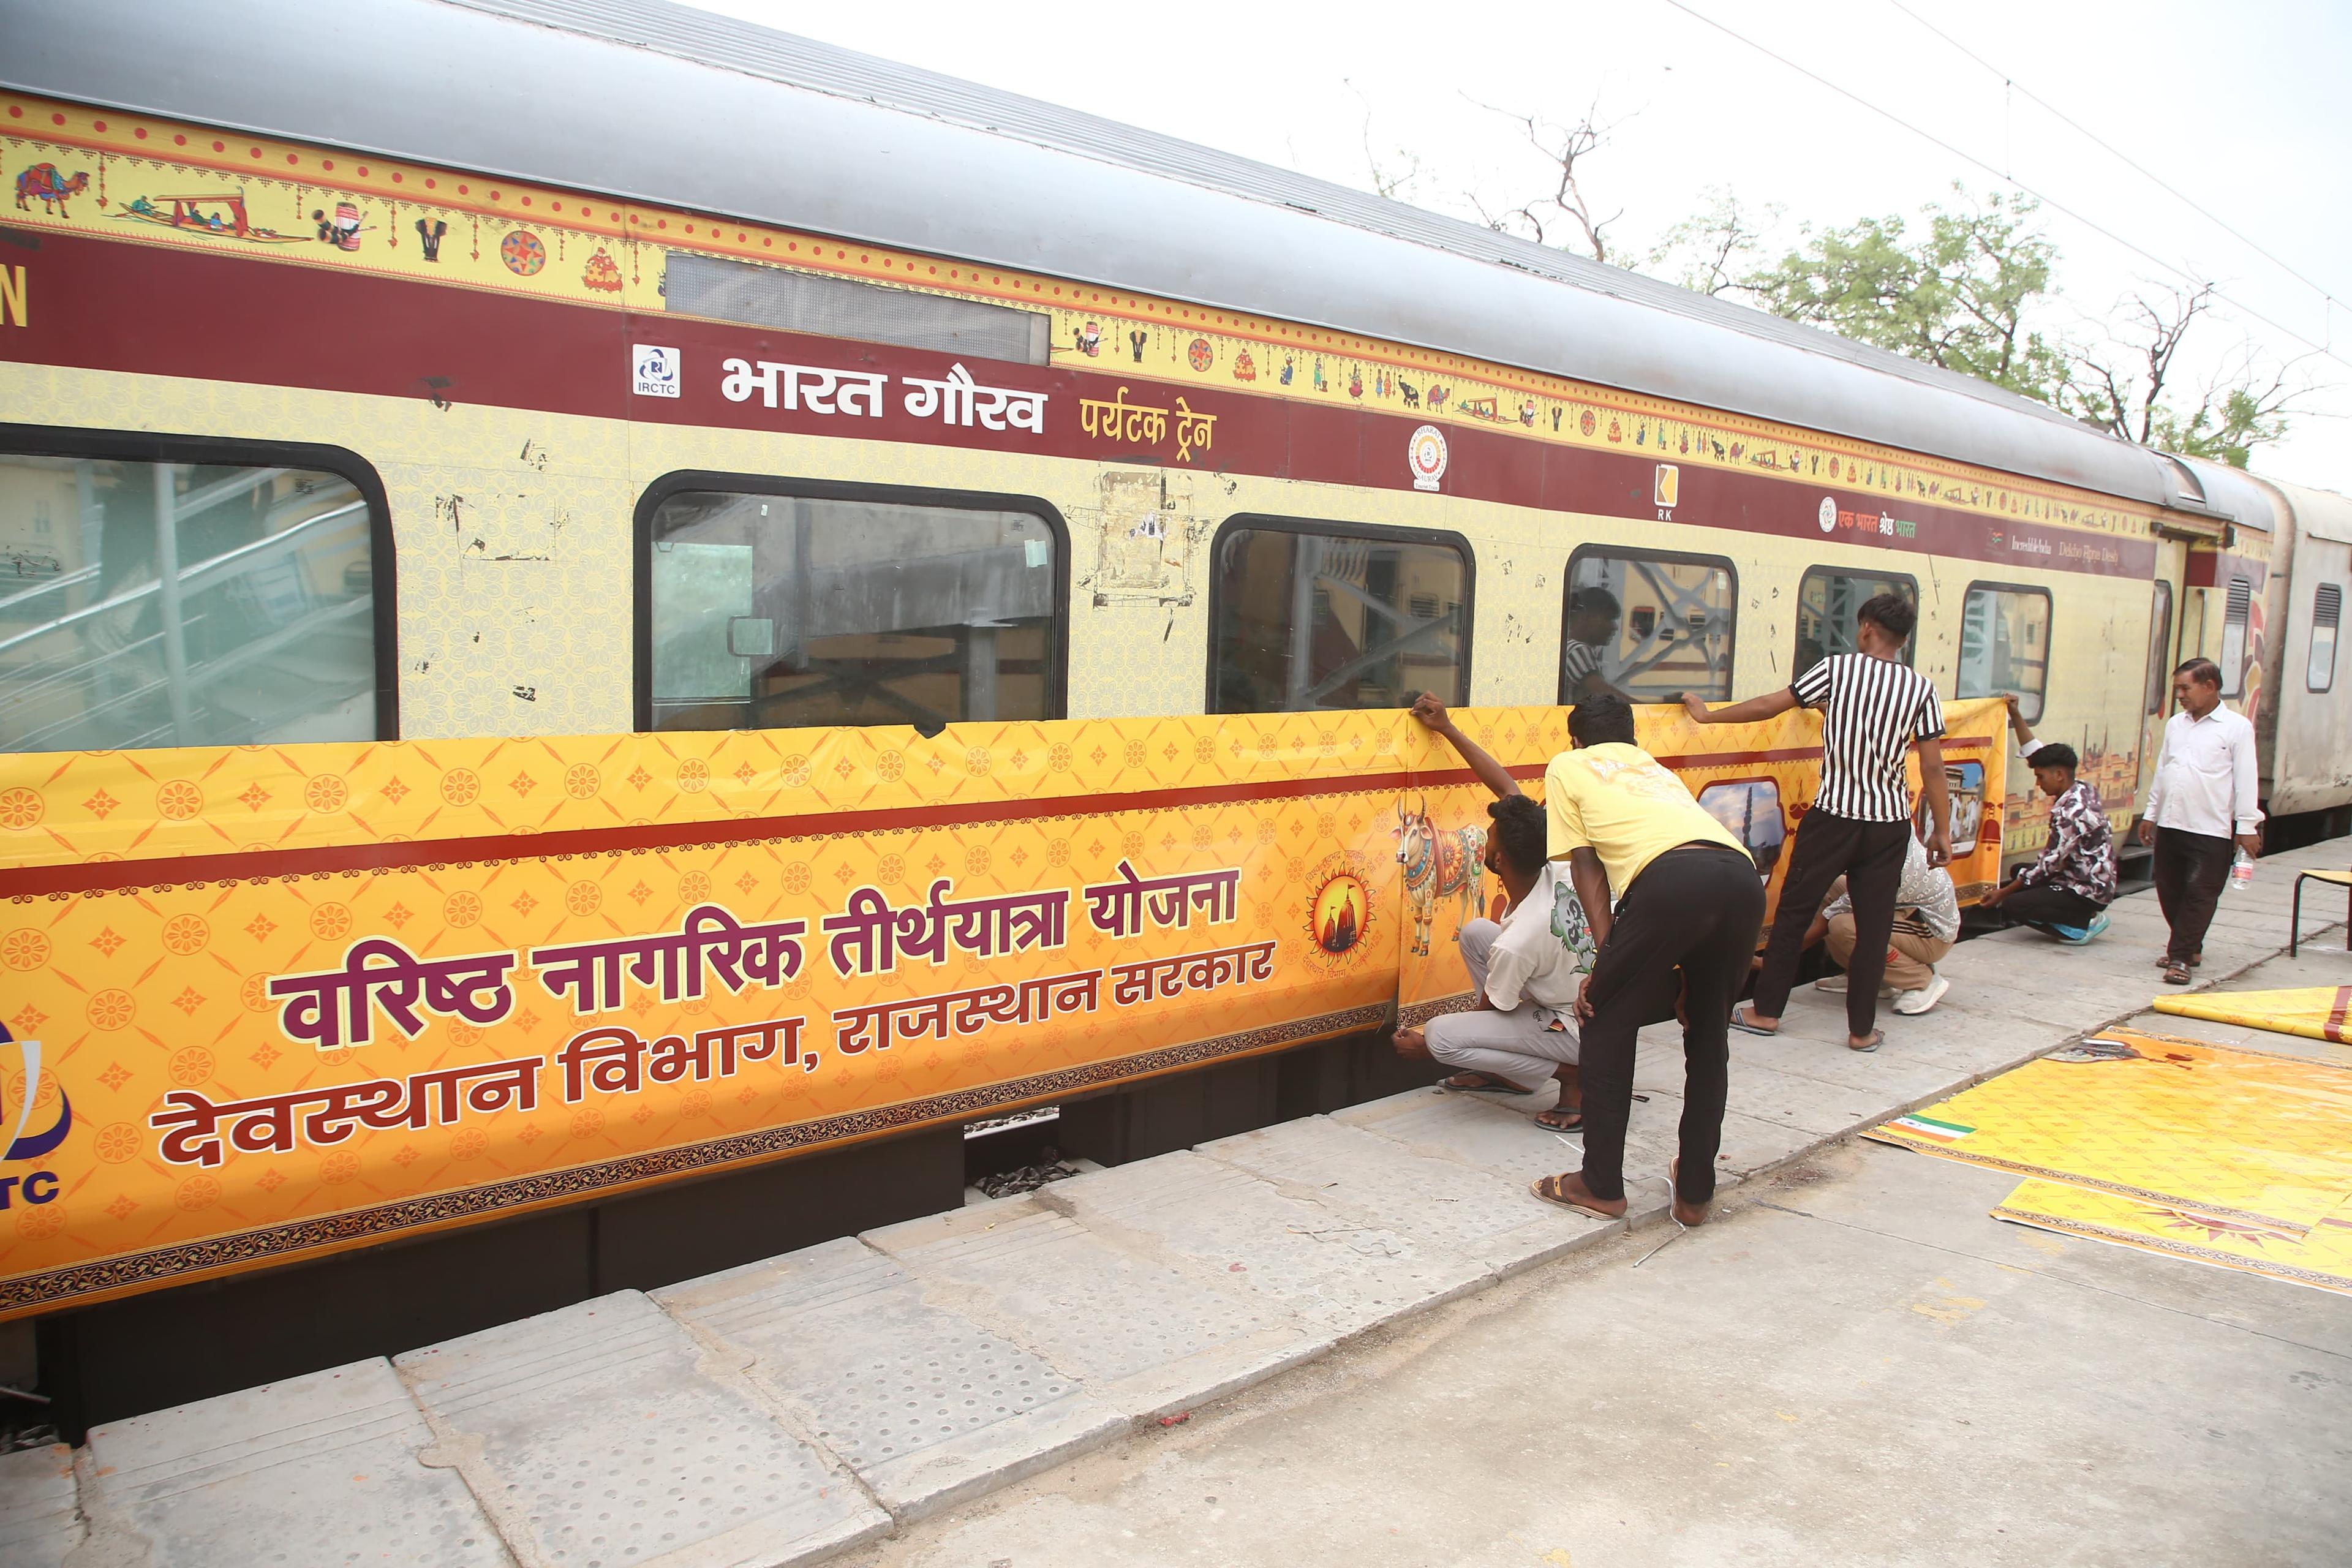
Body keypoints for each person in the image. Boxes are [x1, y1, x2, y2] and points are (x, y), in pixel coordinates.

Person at [1528, 695, 1764, 1229]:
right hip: (1741, 878)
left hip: (1669, 882)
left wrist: (1606, 962)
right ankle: (1696, 1192)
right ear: (1632, 737)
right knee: (1708, 1033)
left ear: (1576, 739)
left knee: (1604, 1014)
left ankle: (1601, 1184)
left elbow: (1587, 867)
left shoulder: (1568, 765)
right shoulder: (1652, 768)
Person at [1683, 592, 1951, 1053]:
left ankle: (1766, 1012)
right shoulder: (1920, 689)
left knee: (1793, 914)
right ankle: (1862, 1030)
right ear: (1903, 640)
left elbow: (1772, 704)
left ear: (1866, 628)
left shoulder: (1838, 670)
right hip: (1889, 825)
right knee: (1874, 927)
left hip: (1834, 818)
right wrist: (1941, 830)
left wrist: (1709, 716)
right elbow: (1932, 767)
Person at [1392, 695, 1589, 1133]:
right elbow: (1507, 790)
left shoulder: (1521, 936)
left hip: (1576, 1031)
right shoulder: (1556, 865)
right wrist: (1447, 728)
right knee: (1479, 931)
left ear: (1497, 861)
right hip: (1578, 1002)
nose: (1486, 841)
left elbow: (1494, 1011)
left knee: (1444, 1035)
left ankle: (1571, 1079)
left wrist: (1432, 1046)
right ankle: (1517, 1073)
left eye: (1489, 840)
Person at [2138, 658, 2262, 985]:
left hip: (2212, 829)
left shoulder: (2236, 728)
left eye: (2185, 688)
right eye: (2177, 688)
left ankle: (2180, 958)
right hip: (2171, 822)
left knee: (2200, 894)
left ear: (2209, 687)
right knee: (2169, 889)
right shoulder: (2177, 725)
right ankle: (2189, 947)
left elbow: (2247, 781)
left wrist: (2247, 827)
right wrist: (2151, 814)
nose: (2179, 695)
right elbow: (2164, 770)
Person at [1981, 693, 2117, 943]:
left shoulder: (2071, 813)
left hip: (2086, 889)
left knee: (2014, 904)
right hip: (2083, 877)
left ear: (2059, 775)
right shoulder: (2082, 787)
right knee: (2019, 871)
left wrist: (2001, 894)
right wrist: (2015, 713)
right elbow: (2036, 753)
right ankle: (2075, 914)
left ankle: (2082, 924)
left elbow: (2048, 865)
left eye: (2041, 777)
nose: (2038, 783)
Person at [1806, 834, 1959, 1015]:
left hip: (1931, 934)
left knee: (1843, 926)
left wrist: (1777, 959)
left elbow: (1827, 919)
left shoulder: (1889, 861)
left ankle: (1921, 980)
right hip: (1899, 911)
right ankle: (1871, 978)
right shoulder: (1880, 831)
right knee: (1828, 888)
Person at [1560, 587, 1630, 701]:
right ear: (1586, 618)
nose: (1615, 627)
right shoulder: (1576, 650)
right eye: (1609, 619)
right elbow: (1603, 694)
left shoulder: (1567, 647)